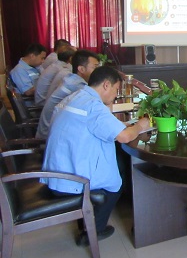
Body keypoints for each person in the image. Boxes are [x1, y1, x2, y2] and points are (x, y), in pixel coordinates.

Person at [41, 66, 150, 246]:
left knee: (119, 161)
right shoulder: (93, 106)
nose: (116, 95)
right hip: (69, 179)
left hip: (58, 169)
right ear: (106, 85)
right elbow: (124, 137)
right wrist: (140, 126)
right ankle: (94, 231)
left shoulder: (77, 97)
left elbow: (98, 124)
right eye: (116, 89)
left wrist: (123, 125)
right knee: (118, 178)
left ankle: (89, 219)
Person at [36, 50, 100, 139]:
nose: (98, 71)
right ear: (81, 69)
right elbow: (97, 105)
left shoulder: (72, 79)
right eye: (95, 67)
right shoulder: (77, 86)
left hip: (55, 131)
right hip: (50, 137)